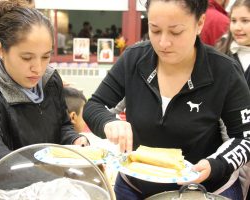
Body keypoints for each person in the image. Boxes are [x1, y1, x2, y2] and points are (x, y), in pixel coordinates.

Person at [83, 0, 250, 199]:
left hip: (203, 190)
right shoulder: (134, 60)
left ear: (200, 23)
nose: (163, 43)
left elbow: (244, 137)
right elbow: (94, 106)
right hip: (134, 187)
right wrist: (108, 122)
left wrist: (216, 164)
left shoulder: (224, 70)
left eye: (176, 32)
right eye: (154, 30)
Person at [0, 0, 88, 181]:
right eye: (27, 58)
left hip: (52, 184)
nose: (38, 68)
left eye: (46, 56)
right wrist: (42, 179)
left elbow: (63, 125)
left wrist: (74, 140)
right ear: (1, 49)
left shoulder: (50, 79)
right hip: (6, 188)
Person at [216, 1, 250, 199]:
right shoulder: (221, 53)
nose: (237, 27)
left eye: (245, 21)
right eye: (234, 20)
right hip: (228, 143)